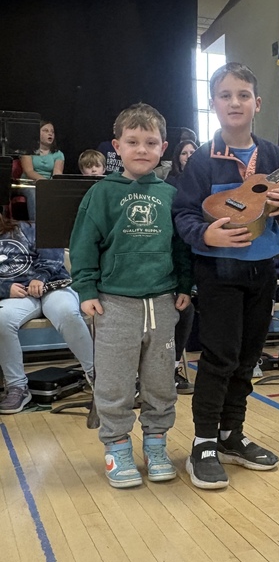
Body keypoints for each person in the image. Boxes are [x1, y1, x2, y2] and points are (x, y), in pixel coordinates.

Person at [173, 62, 279, 490]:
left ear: (257, 103)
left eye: (243, 95)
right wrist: (205, 233)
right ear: (213, 104)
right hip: (217, 272)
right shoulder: (200, 163)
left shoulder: (273, 157)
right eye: (226, 95)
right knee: (219, 358)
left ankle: (232, 435)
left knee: (248, 359)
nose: (235, 102)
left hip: (261, 272)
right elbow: (184, 215)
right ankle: (203, 443)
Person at [69, 102, 194, 489]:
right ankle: (117, 446)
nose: (142, 149)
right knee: (115, 382)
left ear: (163, 148)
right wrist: (86, 288)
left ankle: (155, 445)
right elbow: (84, 245)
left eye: (151, 142)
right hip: (114, 305)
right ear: (116, 146)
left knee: (161, 382)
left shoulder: (172, 195)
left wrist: (185, 286)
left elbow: (181, 248)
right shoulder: (101, 194)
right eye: (133, 141)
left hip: (161, 303)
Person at [0, 212, 94, 413]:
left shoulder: (28, 226)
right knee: (0, 320)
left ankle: (97, 374)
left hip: (52, 285)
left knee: (67, 312)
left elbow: (53, 253)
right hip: (16, 296)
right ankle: (17, 386)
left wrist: (41, 277)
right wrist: (5, 288)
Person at [166, 138, 199, 394]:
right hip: (177, 256)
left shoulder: (204, 183)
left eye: (193, 152)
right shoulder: (169, 187)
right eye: (184, 152)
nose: (188, 156)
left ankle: (174, 366)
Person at [19, 120, 65, 219]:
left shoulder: (58, 154)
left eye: (52, 132)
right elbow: (29, 171)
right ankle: (36, 226)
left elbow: (57, 173)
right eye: (45, 130)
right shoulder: (27, 151)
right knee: (34, 193)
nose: (50, 133)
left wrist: (50, 185)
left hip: (48, 184)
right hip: (29, 184)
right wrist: (45, 183)